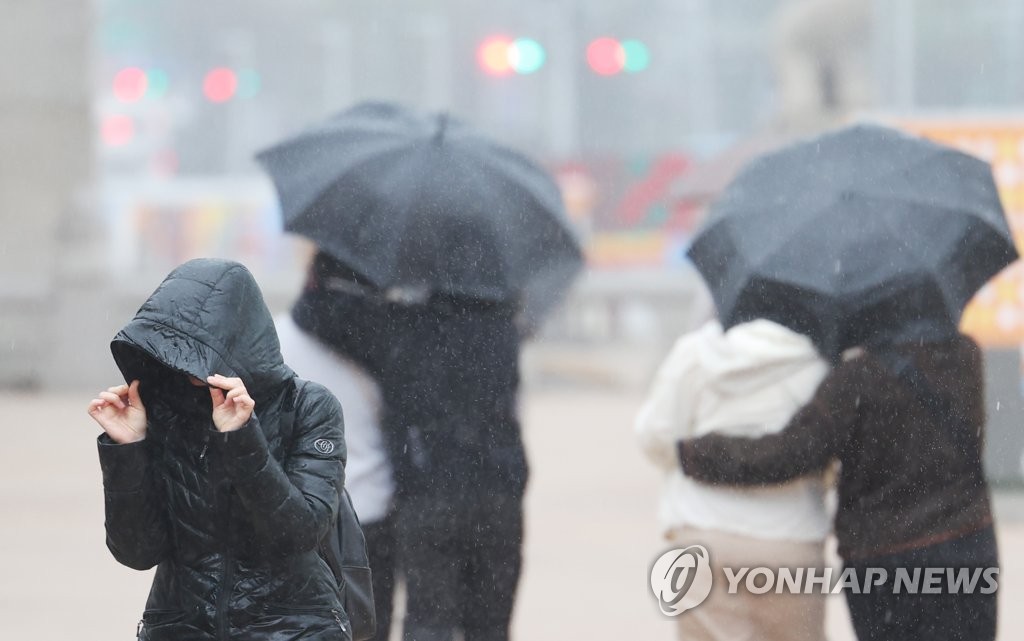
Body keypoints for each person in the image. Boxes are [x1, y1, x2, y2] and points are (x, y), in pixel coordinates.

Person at [87, 258, 351, 641]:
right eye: (169, 346)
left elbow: (300, 531)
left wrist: (242, 436)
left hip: (291, 626)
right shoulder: (164, 408)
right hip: (183, 625)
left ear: (238, 338)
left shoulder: (308, 405)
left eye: (196, 346)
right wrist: (128, 448)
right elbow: (137, 552)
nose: (181, 359)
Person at [678, 330, 998, 641]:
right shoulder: (966, 356)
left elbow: (790, 453)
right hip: (968, 543)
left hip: (884, 557)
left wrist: (698, 453)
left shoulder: (855, 379)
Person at [635, 319, 831, 641]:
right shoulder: (816, 360)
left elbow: (655, 436)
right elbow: (829, 453)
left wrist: (686, 456)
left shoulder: (695, 352)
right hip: (791, 540)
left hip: (704, 535)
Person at [282, 252, 396, 641]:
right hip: (371, 514)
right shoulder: (384, 347)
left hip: (298, 513)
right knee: (368, 627)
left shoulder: (275, 340)